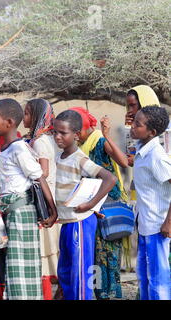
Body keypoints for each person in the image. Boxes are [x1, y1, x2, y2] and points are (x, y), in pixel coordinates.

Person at [0, 99, 57, 300]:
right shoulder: (7, 149)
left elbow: (38, 177)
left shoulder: (19, 148)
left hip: (21, 214)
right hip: (12, 214)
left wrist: (53, 211)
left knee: (20, 271)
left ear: (9, 123)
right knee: (16, 271)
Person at [53, 110, 117, 300]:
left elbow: (110, 178)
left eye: (62, 133)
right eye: (55, 132)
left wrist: (91, 203)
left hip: (80, 222)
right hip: (67, 222)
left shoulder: (79, 158)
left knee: (80, 273)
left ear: (76, 134)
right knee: (66, 271)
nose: (57, 136)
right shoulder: (60, 156)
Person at [69, 107, 129, 300]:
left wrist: (107, 135)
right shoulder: (78, 147)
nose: (77, 135)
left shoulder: (99, 141)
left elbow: (123, 162)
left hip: (108, 205)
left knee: (109, 254)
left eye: (79, 130)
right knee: (95, 255)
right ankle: (100, 293)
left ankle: (111, 294)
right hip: (91, 207)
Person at [130, 106, 171, 300]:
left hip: (158, 227)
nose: (132, 125)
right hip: (145, 225)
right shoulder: (141, 149)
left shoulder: (156, 156)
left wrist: (169, 222)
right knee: (145, 278)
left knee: (159, 280)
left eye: (137, 124)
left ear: (152, 132)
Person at [23, 98, 61, 300]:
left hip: (43, 204)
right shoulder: (43, 138)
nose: (24, 117)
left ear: (37, 116)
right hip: (46, 201)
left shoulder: (40, 141)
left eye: (27, 113)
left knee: (44, 255)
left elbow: (43, 173)